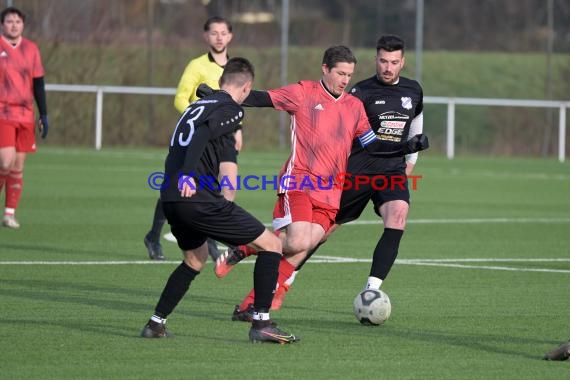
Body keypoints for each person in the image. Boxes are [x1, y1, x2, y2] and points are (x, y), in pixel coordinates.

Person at [211, 45, 428, 320]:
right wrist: (219, 98)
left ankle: (248, 301)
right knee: (299, 240)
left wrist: (407, 146)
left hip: (332, 190)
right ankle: (245, 253)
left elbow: (374, 147)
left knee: (301, 245)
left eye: (349, 75)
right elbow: (259, 97)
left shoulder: (354, 107)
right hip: (299, 180)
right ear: (325, 69)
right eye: (340, 73)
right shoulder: (303, 92)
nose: (345, 80)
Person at [140, 57, 297, 344]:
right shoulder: (231, 110)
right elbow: (203, 134)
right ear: (247, 86)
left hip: (171, 198)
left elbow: (200, 127)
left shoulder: (199, 106)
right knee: (272, 244)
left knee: (194, 259)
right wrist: (189, 174)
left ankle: (155, 323)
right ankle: (261, 322)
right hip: (198, 196)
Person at [144, 16, 241, 261]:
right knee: (176, 185)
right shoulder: (196, 65)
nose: (219, 37)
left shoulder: (235, 70)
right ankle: (153, 236)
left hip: (225, 138)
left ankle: (210, 235)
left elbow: (236, 103)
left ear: (230, 36)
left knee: (228, 189)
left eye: (223, 32)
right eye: (214, 32)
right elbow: (180, 98)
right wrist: (196, 120)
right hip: (199, 136)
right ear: (206, 37)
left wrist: (238, 128)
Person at [0, 6, 48, 229]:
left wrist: (44, 114)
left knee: (17, 166)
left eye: (17, 22)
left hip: (25, 115)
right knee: (5, 161)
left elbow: (38, 83)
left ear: (23, 25)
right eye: (9, 21)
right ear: (3, 24)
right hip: (3, 113)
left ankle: (9, 213)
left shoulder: (31, 49)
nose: (13, 25)